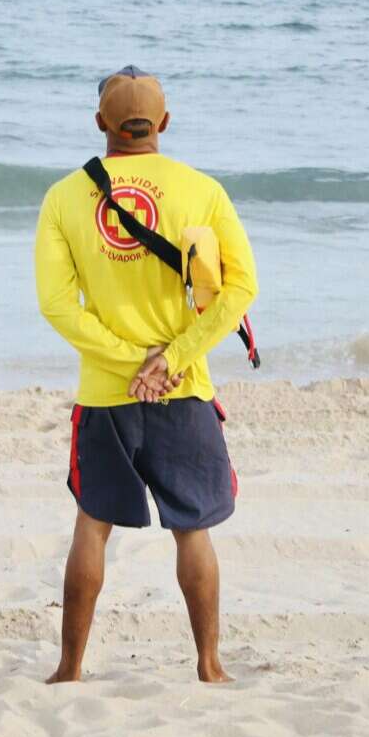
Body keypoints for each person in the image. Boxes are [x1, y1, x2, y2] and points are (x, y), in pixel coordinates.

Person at [34, 65, 258, 684]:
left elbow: (57, 305)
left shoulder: (63, 197)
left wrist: (129, 362)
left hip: (107, 395)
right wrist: (174, 358)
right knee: (194, 532)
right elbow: (242, 286)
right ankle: (210, 666)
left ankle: (69, 669)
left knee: (92, 526)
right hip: (183, 390)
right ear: (163, 123)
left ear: (101, 123)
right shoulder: (202, 190)